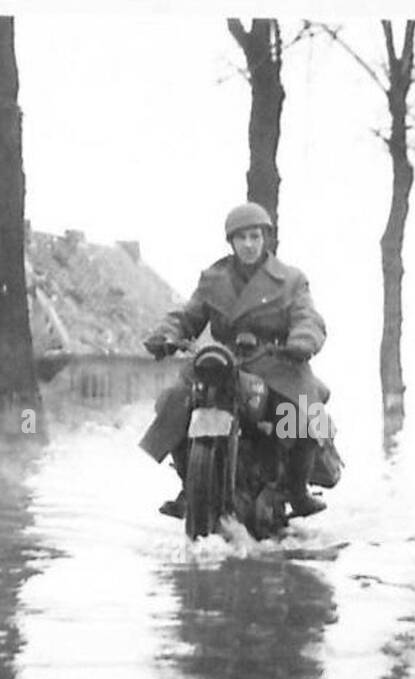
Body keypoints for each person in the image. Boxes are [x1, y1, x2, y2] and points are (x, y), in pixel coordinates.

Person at [139, 202, 332, 518]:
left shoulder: (291, 280)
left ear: (265, 238)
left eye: (255, 236)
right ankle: (190, 486)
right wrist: (167, 335)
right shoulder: (213, 279)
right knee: (173, 402)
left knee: (307, 413)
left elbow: (307, 316)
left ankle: (297, 490)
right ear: (231, 242)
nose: (249, 244)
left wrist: (302, 341)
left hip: (276, 361)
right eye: (241, 238)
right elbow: (187, 316)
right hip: (223, 361)